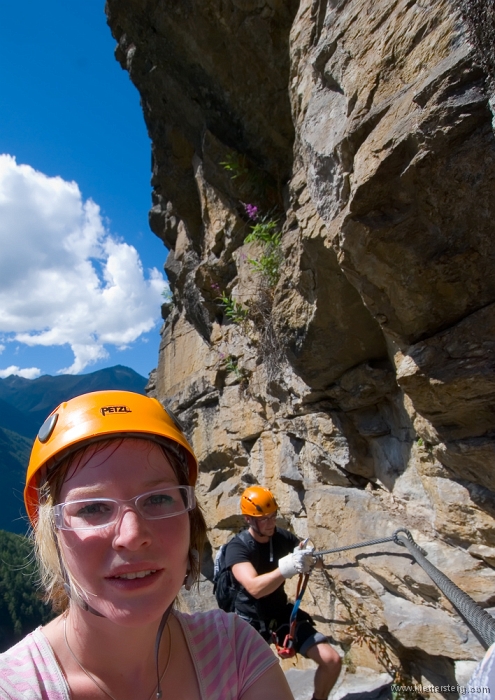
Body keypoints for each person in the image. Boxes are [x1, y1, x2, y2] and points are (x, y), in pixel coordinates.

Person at [0, 391, 294, 700]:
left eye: (158, 499)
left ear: (190, 518)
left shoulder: (234, 650)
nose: (132, 535)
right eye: (92, 507)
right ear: (52, 533)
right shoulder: (14, 689)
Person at [225, 486, 342, 700]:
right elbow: (255, 588)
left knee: (331, 660)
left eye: (273, 516)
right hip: (248, 621)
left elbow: (317, 562)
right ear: (248, 519)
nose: (271, 523)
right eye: (264, 518)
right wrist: (287, 567)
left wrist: (311, 558)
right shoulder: (238, 548)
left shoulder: (281, 537)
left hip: (280, 615)